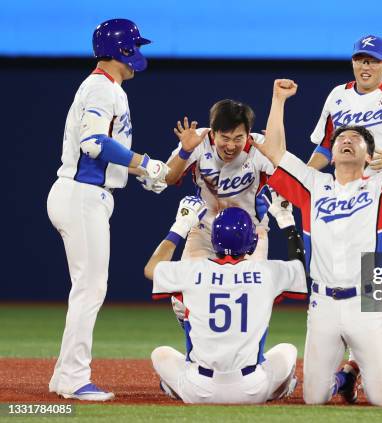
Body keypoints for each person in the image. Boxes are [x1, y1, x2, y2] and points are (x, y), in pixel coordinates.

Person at [253, 72, 382, 406]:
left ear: (369, 156)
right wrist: (277, 101)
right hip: (323, 306)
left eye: (356, 139)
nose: (347, 139)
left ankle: (352, 373)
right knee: (314, 399)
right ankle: (341, 378)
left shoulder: (381, 188)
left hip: (366, 305)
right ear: (331, 154)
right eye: (341, 137)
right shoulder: (311, 185)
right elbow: (273, 152)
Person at [47, 18, 168, 401]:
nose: (139, 54)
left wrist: (140, 172)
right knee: (90, 289)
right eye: (136, 46)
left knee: (87, 288)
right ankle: (72, 378)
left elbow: (104, 152)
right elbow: (94, 143)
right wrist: (145, 163)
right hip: (82, 194)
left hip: (85, 193)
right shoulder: (101, 87)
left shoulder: (107, 87)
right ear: (123, 51)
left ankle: (63, 376)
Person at [308, 34, 382, 402]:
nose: (365, 65)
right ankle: (346, 368)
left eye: (372, 60)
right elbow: (323, 147)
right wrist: (304, 179)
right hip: (341, 202)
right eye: (359, 59)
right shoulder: (338, 95)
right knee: (341, 282)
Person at [144, 197, 307, 404]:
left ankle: (177, 388)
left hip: (199, 389)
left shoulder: (192, 271)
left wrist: (181, 225)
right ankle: (278, 390)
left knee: (161, 354)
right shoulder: (266, 272)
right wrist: (286, 222)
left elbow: (151, 269)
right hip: (252, 389)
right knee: (287, 350)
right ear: (252, 241)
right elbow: (301, 268)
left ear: (213, 240)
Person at [161, 99, 298, 320]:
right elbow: (168, 177)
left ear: (249, 133)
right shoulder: (198, 140)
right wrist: (185, 152)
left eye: (238, 138)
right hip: (205, 230)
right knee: (182, 299)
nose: (231, 145)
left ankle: (246, 352)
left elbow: (290, 181)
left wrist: (275, 155)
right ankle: (198, 351)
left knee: (253, 298)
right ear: (213, 133)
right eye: (224, 138)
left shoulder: (258, 146)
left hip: (250, 234)